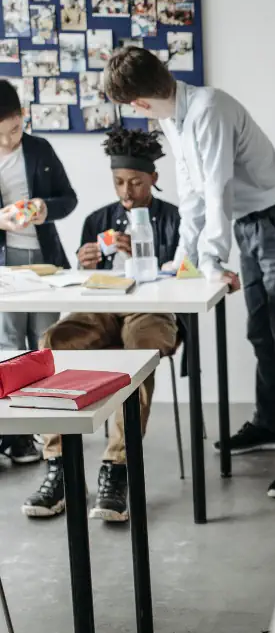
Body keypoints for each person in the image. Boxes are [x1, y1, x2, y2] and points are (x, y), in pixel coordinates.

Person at [104, 47, 275, 499]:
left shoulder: (209, 109)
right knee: (261, 333)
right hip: (249, 225)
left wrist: (210, 260)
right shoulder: (173, 117)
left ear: (139, 103)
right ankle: (270, 425)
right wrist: (184, 260)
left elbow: (217, 188)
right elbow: (192, 195)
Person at [22, 128, 180, 522]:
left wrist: (149, 255)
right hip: (101, 305)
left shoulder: (174, 218)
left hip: (152, 308)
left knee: (139, 356)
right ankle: (58, 463)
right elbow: (80, 284)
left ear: (153, 180)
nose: (126, 191)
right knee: (54, 341)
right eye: (119, 182)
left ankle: (118, 468)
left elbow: (185, 274)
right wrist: (85, 261)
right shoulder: (97, 219)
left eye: (136, 183)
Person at [0, 79, 77, 466]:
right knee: (9, 346)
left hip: (45, 263)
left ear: (22, 117)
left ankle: (52, 435)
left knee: (45, 342)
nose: (10, 141)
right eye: (1, 136)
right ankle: (16, 436)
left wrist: (45, 208)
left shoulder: (40, 149)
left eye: (14, 130)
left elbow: (69, 199)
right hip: (5, 265)